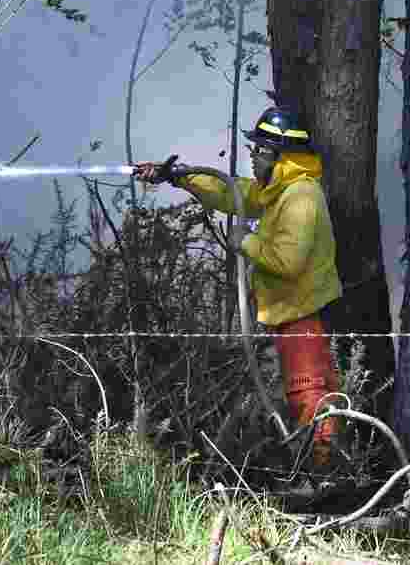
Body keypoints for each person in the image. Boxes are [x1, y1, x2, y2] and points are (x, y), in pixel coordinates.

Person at [135, 106, 343, 467]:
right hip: (292, 312)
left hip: (303, 314)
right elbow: (231, 192)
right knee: (307, 395)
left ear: (281, 157)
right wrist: (178, 176)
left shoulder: (301, 197)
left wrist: (244, 241)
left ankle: (326, 474)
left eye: (260, 152)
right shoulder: (279, 190)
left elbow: (288, 262)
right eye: (254, 152)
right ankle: (317, 467)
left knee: (310, 393)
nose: (254, 159)